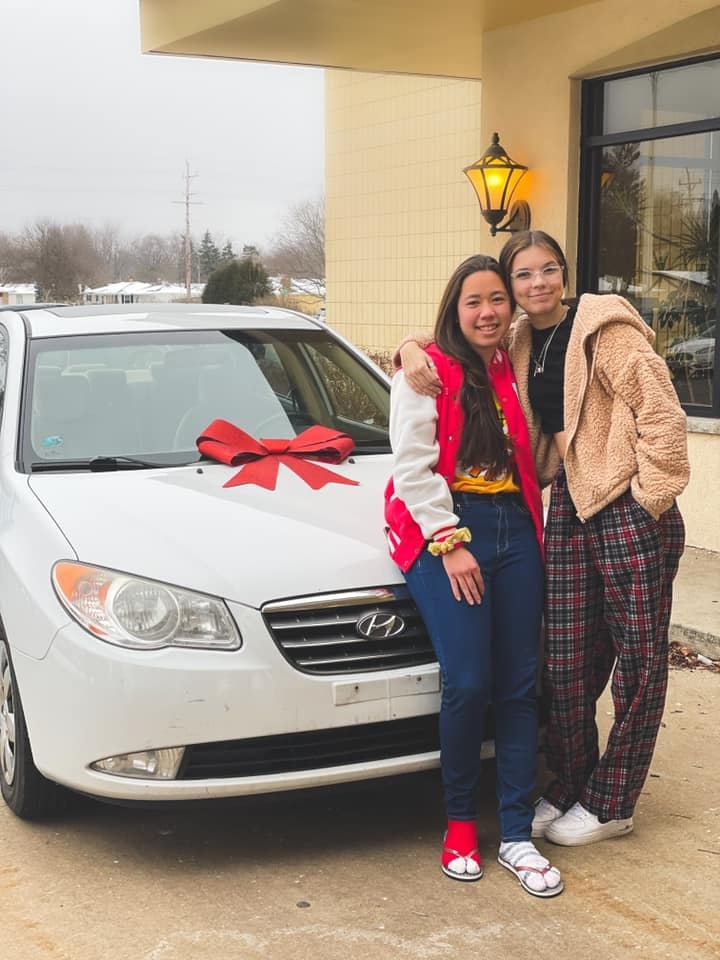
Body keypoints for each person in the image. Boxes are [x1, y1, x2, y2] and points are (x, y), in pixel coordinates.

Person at [398, 230, 689, 846]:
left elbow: (663, 416)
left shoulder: (606, 332)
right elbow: (455, 334)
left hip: (626, 506)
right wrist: (407, 347)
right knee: (564, 661)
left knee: (638, 662)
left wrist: (649, 501)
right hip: (566, 510)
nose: (537, 285)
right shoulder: (520, 338)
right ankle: (568, 782)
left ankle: (613, 801)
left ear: (565, 273)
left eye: (548, 270)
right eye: (522, 276)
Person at [385, 253, 563, 897]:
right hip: (449, 528)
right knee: (467, 680)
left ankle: (515, 832)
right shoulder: (426, 372)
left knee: (518, 687)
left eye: (498, 299)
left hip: (517, 528)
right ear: (453, 308)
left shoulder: (511, 360)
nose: (488, 311)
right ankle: (461, 822)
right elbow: (410, 467)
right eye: (474, 301)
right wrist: (448, 540)